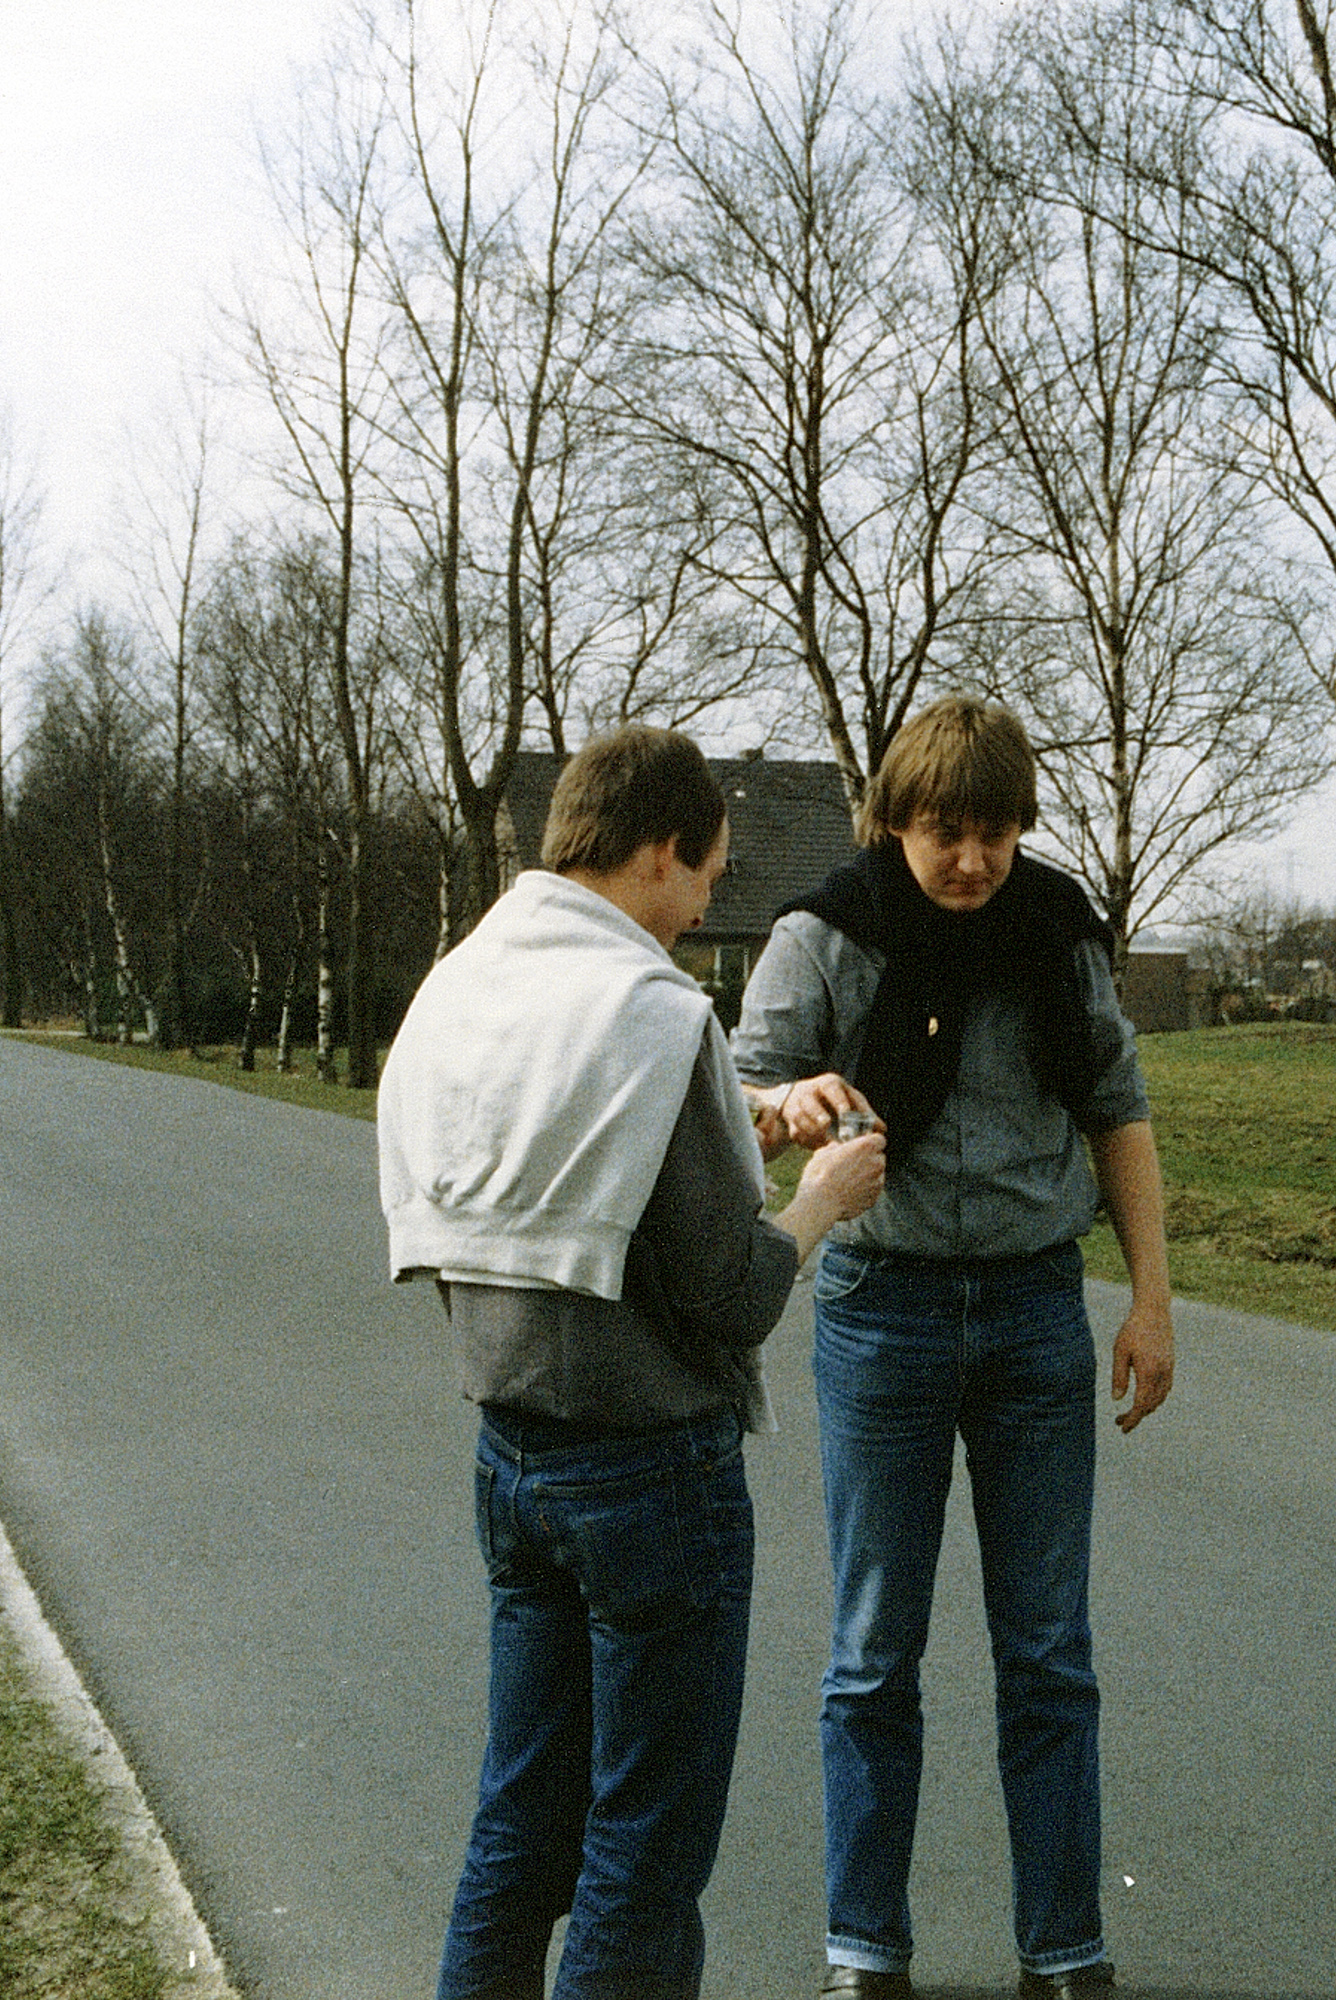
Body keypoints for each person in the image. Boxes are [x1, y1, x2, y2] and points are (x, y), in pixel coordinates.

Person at [381, 726, 888, 2000]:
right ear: (661, 850)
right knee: (641, 1851)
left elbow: (571, 1179)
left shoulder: (460, 985)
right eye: (709, 871)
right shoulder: (658, 1011)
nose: (709, 901)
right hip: (653, 1473)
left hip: (511, 1453)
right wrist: (820, 1199)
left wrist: (751, 1123)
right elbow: (730, 1293)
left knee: (517, 1825)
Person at [732, 695, 1172, 2000]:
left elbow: (1118, 1111)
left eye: (993, 834)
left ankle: (1065, 1949)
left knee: (1048, 1651)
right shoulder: (822, 935)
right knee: (874, 1651)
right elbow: (728, 1100)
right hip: (883, 1312)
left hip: (1036, 1308)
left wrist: (1150, 1302)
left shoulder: (1058, 933)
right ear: (894, 823)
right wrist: (784, 1101)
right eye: (942, 834)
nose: (971, 862)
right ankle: (864, 1950)